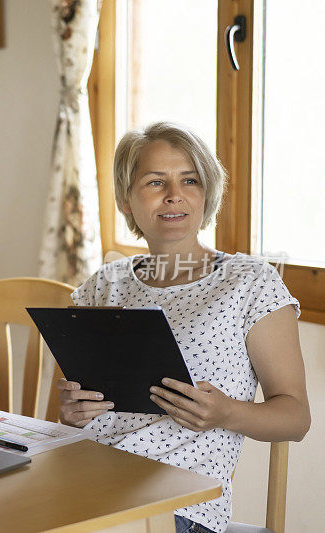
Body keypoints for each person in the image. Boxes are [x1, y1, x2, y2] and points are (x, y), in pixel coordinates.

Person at [55, 122, 310, 533]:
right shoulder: (102, 285)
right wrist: (73, 412)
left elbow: (296, 417)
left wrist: (227, 412)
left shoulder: (251, 281)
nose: (174, 194)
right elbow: (72, 410)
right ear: (125, 199)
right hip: (89, 486)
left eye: (189, 180)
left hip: (178, 506)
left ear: (206, 191)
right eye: (155, 182)